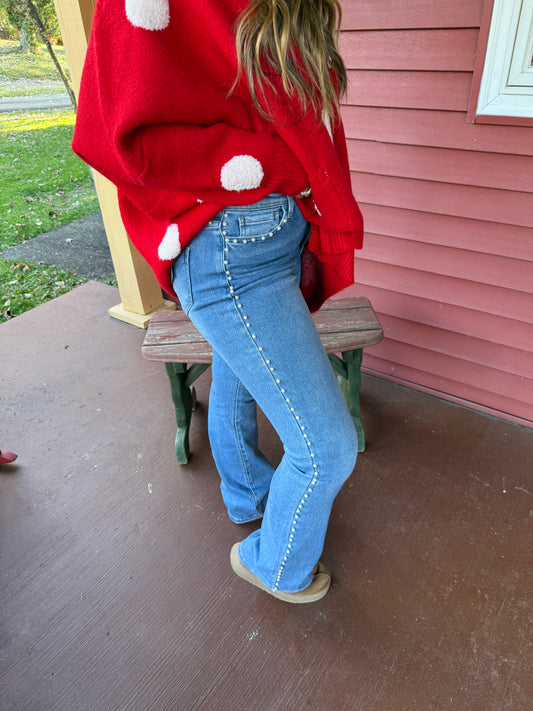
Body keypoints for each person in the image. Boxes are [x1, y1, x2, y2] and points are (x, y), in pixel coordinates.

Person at [73, 0, 364, 603]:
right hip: (230, 244)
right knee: (326, 448)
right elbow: (114, 135)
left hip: (273, 230)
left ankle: (249, 496)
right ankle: (275, 565)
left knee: (235, 372)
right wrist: (282, 166)